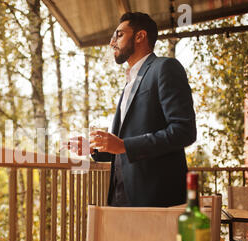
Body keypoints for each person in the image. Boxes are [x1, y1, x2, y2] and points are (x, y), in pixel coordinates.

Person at [66, 12, 196, 207]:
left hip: (155, 198)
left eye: (119, 35)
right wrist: (95, 148)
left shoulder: (165, 68)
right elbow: (122, 147)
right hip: (121, 196)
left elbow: (184, 132)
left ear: (140, 36)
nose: (112, 43)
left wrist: (125, 145)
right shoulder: (129, 83)